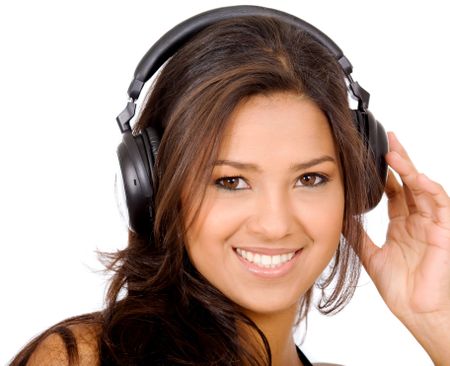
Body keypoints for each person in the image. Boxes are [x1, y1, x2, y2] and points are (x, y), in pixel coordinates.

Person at [10, 6, 450, 366]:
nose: (275, 225)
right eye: (231, 181)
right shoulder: (85, 358)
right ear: (156, 187)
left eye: (310, 178)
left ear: (356, 188)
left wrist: (436, 321)